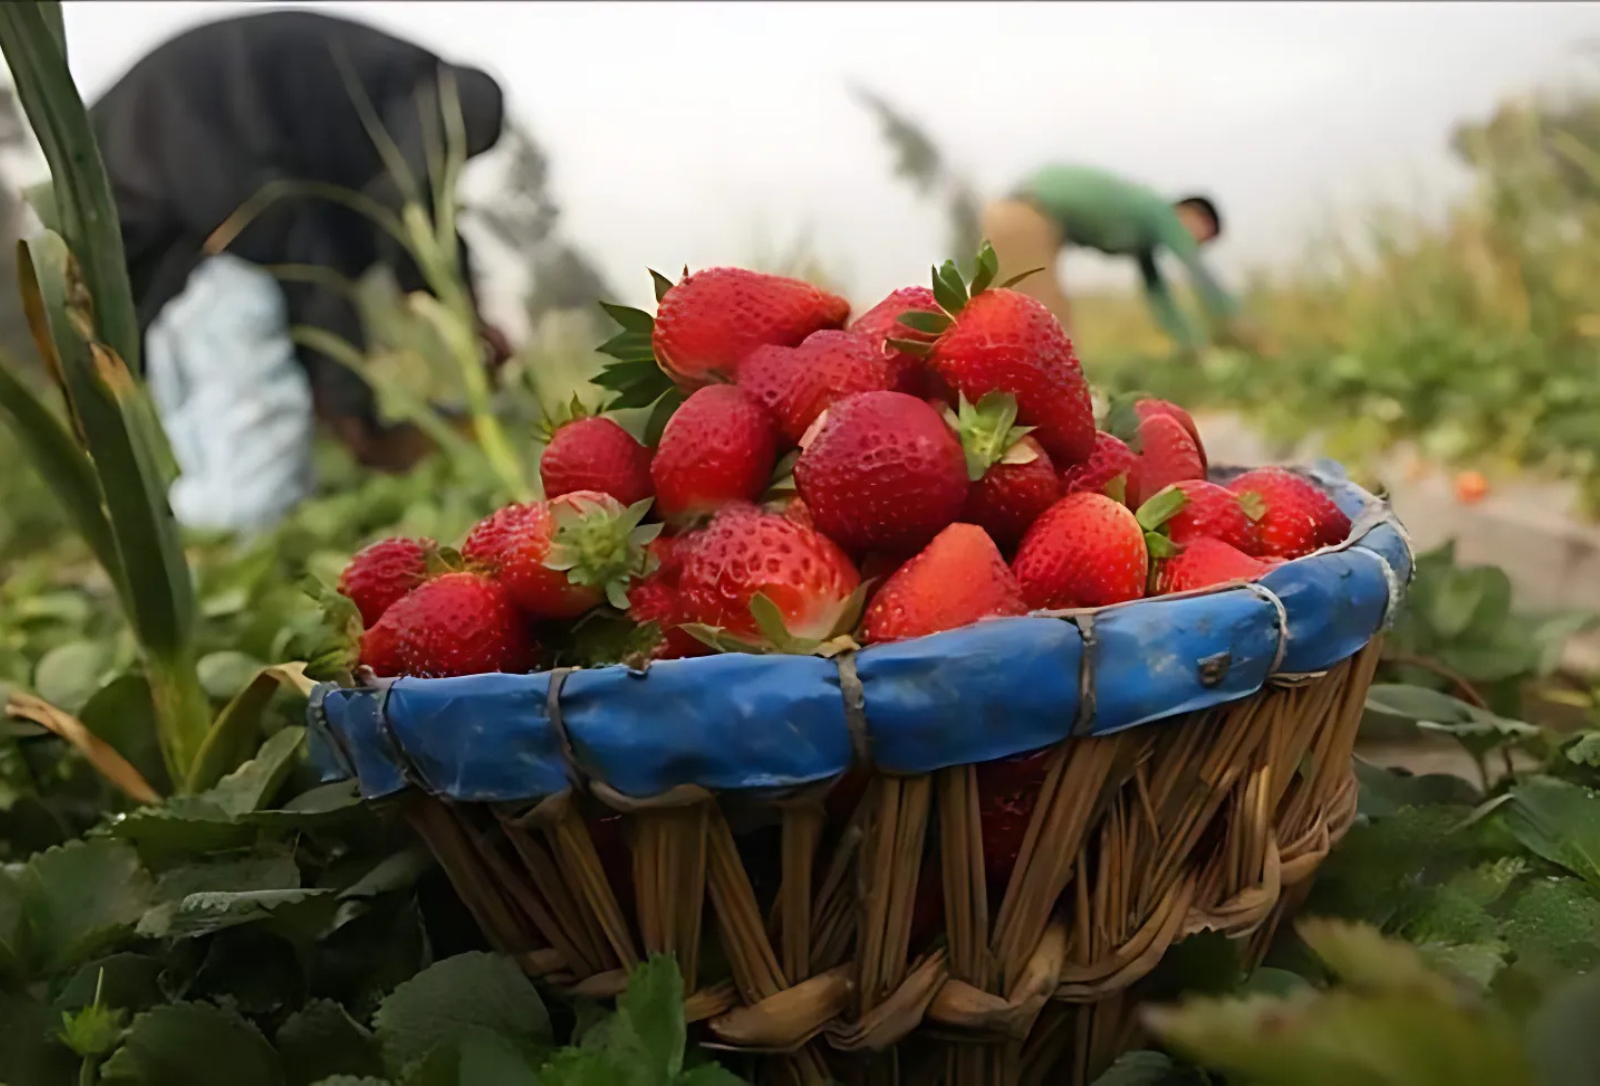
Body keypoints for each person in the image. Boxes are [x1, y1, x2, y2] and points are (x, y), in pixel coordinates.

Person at [78, 10, 512, 534]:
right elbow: (390, 214)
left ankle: (208, 532)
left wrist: (466, 311)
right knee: (254, 498)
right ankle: (214, 544)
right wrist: (359, 417)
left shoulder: (355, 92)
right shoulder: (442, 95)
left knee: (224, 444)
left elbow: (409, 214)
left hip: (156, 225)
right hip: (176, 211)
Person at [981, 164, 1241, 352]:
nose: (1197, 244)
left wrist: (1193, 346)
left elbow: (1159, 296)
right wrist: (1238, 324)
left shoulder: (1145, 230)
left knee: (1022, 327)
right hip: (1025, 215)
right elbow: (1198, 271)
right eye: (1203, 236)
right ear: (1192, 215)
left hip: (1013, 216)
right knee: (1045, 331)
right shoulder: (1160, 211)